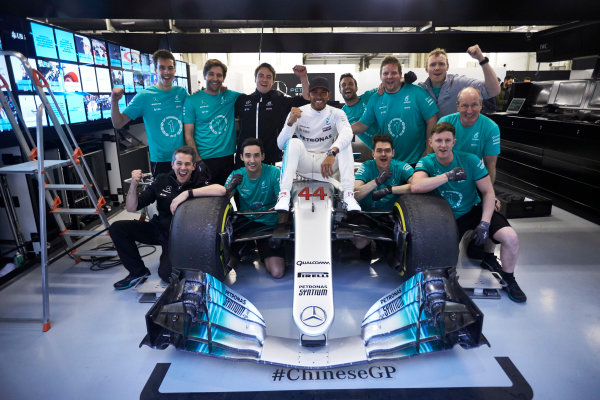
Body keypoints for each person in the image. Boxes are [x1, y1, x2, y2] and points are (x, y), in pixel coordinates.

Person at [410, 122, 526, 303]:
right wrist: (448, 176)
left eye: (447, 140)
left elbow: (488, 192)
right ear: (430, 142)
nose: (443, 145)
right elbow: (416, 186)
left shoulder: (470, 160)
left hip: (473, 210)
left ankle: (509, 278)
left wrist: (485, 223)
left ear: (454, 142)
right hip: (446, 219)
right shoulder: (426, 162)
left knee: (510, 237)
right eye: (438, 140)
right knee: (445, 267)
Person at [109, 146, 225, 289]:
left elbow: (221, 189)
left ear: (194, 166)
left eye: (187, 164)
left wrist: (187, 194)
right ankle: (137, 272)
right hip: (160, 230)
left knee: (167, 275)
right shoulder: (162, 180)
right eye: (179, 163)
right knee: (117, 228)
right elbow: (132, 207)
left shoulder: (199, 181)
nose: (183, 168)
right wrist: (133, 185)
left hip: (184, 237)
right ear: (172, 164)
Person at [274, 76, 361, 212]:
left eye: (323, 92)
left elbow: (347, 133)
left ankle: (349, 196)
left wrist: (332, 152)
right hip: (305, 162)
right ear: (308, 95)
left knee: (345, 144)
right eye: (315, 92)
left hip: (327, 163)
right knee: (293, 142)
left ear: (329, 95)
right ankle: (284, 195)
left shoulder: (337, 113)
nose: (319, 96)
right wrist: (289, 123)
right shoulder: (298, 112)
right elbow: (280, 145)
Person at [111, 49, 188, 177]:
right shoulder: (144, 96)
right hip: (161, 161)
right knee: (165, 197)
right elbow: (118, 124)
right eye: (162, 68)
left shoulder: (182, 93)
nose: (166, 72)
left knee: (187, 196)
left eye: (170, 68)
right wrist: (114, 101)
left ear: (174, 70)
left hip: (184, 159)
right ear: (155, 70)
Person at [352, 56, 438, 166]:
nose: (389, 77)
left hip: (417, 161)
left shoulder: (417, 92)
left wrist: (429, 150)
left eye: (394, 73)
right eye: (385, 73)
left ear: (400, 75)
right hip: (390, 164)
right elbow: (362, 125)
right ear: (380, 76)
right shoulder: (375, 98)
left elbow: (432, 119)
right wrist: (343, 129)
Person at [224, 138, 285, 278]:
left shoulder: (275, 173)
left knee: (277, 272)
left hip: (268, 225)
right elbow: (221, 203)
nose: (252, 160)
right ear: (241, 157)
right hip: (245, 223)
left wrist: (280, 230)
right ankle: (247, 246)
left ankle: (260, 247)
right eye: (248, 155)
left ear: (263, 156)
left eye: (256, 155)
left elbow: (283, 202)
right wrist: (230, 188)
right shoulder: (236, 175)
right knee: (228, 264)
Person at [234, 63, 309, 167]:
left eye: (268, 77)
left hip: (270, 159)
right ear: (255, 79)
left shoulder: (280, 101)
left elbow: (306, 99)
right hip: (245, 159)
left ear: (273, 81)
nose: (264, 79)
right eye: (261, 76)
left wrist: (303, 77)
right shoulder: (243, 100)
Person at [184, 59, 242, 184]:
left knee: (225, 197)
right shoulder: (192, 100)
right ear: (205, 75)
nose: (215, 78)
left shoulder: (231, 96)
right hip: (204, 159)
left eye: (219, 75)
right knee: (204, 200)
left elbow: (252, 100)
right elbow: (188, 135)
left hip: (227, 159)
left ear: (223, 78)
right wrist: (198, 161)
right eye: (211, 74)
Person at [352, 134, 414, 251]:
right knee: (360, 243)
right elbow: (355, 194)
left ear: (393, 153)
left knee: (393, 250)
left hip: (389, 216)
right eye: (379, 151)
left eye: (387, 151)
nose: (383, 154)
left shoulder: (402, 167)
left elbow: (417, 186)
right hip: (366, 214)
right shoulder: (366, 167)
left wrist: (388, 190)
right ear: (373, 153)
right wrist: (377, 181)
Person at [419, 45, 501, 118]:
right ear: (426, 68)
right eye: (432, 64)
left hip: (455, 135)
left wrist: (481, 59)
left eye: (441, 64)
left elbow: (493, 91)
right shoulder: (420, 90)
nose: (437, 68)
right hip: (429, 135)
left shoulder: (460, 84)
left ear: (447, 67)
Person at [439, 87, 500, 183]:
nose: (469, 111)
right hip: (444, 177)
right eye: (464, 105)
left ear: (481, 105)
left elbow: (490, 167)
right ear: (457, 106)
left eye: (474, 105)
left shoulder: (491, 128)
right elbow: (433, 157)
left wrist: (488, 193)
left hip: (473, 179)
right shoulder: (445, 122)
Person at [338, 73, 380, 149]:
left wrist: (405, 79)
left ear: (356, 88)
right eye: (343, 85)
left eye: (350, 84)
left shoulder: (369, 96)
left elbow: (388, 85)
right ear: (340, 90)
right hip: (378, 153)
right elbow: (339, 138)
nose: (347, 86)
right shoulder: (342, 115)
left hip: (395, 142)